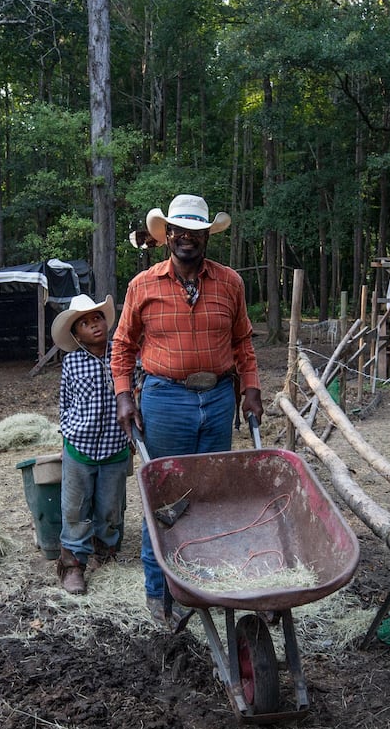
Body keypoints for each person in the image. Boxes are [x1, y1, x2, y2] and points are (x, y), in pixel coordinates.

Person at [110, 194, 263, 625]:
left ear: (205, 237)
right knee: (163, 496)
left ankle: (199, 585)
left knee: (206, 496)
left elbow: (243, 342)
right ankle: (159, 595)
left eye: (194, 232)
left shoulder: (230, 282)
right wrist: (124, 396)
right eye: (178, 232)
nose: (186, 239)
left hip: (217, 399)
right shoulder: (143, 285)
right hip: (165, 398)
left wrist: (251, 389)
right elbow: (122, 346)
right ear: (167, 237)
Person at [49, 293, 129, 595]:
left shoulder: (122, 356)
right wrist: (67, 433)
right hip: (79, 447)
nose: (94, 325)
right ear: (75, 334)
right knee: (75, 508)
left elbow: (134, 393)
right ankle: (73, 564)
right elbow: (65, 402)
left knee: (110, 507)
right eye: (85, 323)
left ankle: (106, 551)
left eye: (97, 318)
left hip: (115, 447)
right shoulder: (72, 363)